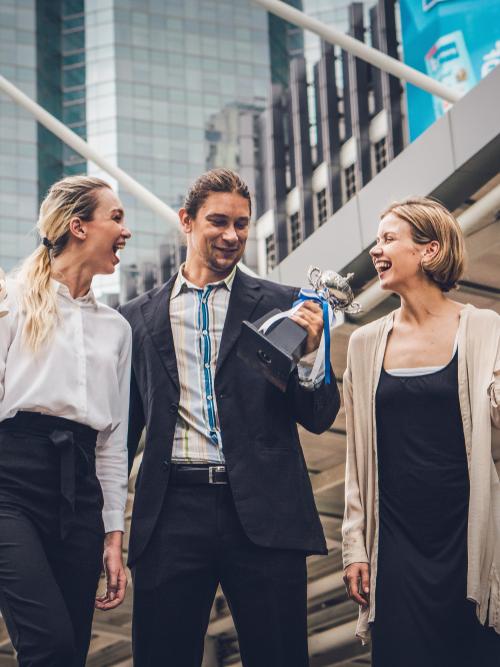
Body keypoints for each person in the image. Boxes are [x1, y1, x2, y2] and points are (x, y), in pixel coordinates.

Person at [120, 168, 340, 667]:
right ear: (186, 221)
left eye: (241, 224)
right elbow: (124, 431)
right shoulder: (133, 319)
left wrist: (308, 357)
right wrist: (109, 527)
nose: (231, 235)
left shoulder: (285, 305)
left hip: (265, 512)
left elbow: (320, 416)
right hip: (170, 512)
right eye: (218, 221)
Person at [342, 196, 500, 666]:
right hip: (394, 545)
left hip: (467, 533)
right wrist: (355, 544)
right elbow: (356, 456)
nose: (376, 249)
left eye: (389, 238)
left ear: (429, 252)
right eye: (377, 239)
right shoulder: (364, 344)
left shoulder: (483, 328)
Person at [0, 176, 132, 666]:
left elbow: (112, 444)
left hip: (80, 492)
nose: (126, 231)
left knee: (71, 652)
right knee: (48, 645)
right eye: (115, 217)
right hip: (9, 486)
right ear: (78, 226)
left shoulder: (116, 330)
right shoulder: (8, 301)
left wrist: (113, 537)